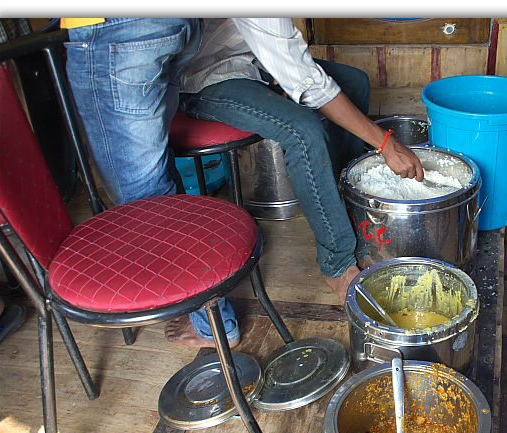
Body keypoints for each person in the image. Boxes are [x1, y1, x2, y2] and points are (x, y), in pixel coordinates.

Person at [178, 18, 425, 304]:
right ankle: (337, 263)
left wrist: (283, 70)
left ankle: (344, 211)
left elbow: (284, 51)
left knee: (354, 82)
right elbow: (310, 83)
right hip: (205, 77)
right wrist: (386, 143)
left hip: (252, 61)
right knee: (303, 131)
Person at [63, 18, 243, 348]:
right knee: (159, 177)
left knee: (146, 200)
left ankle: (212, 324)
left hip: (113, 28)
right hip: (171, 21)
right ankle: (201, 311)